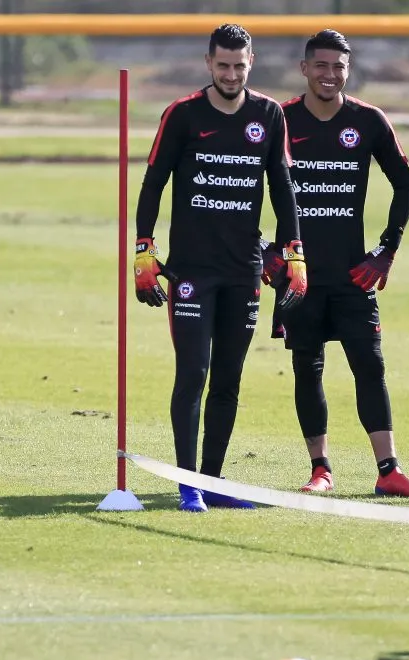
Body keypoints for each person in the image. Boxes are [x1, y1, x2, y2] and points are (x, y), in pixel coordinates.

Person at [134, 23, 308, 513]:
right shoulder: (183, 114)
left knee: (229, 378)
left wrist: (294, 251)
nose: (231, 74)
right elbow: (153, 184)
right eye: (223, 65)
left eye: (240, 65)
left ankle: (212, 480)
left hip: (243, 270)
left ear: (251, 63)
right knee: (194, 372)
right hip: (191, 271)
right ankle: (186, 482)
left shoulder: (269, 114)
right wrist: (143, 248)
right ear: (209, 63)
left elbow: (283, 187)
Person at [263, 29, 409, 497]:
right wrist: (264, 251)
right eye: (320, 65)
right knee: (306, 367)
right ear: (304, 69)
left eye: (338, 66)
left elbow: (408, 184)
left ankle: (389, 471)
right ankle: (320, 470)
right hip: (298, 276)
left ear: (348, 70)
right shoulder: (278, 120)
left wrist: (388, 249)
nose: (329, 74)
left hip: (353, 274)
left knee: (370, 367)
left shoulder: (369, 121)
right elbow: (237, 183)